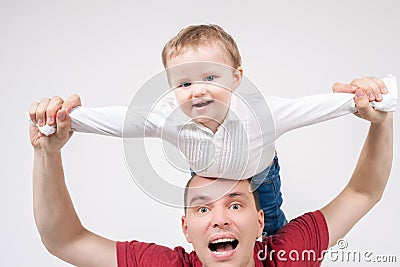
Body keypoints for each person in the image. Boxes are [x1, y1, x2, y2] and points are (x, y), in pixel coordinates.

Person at [30, 24, 397, 237]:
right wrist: (67, 119)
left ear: (237, 78)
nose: (198, 90)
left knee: (270, 228)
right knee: (217, 225)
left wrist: (366, 98)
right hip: (205, 178)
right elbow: (123, 120)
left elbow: (311, 109)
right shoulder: (167, 116)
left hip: (259, 179)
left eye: (210, 77)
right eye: (184, 84)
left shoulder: (264, 112)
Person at [30, 87, 393, 266]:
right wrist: (47, 152)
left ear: (259, 219)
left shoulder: (284, 256)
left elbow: (364, 190)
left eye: (235, 204)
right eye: (203, 209)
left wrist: (381, 117)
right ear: (186, 228)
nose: (219, 219)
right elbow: (65, 240)